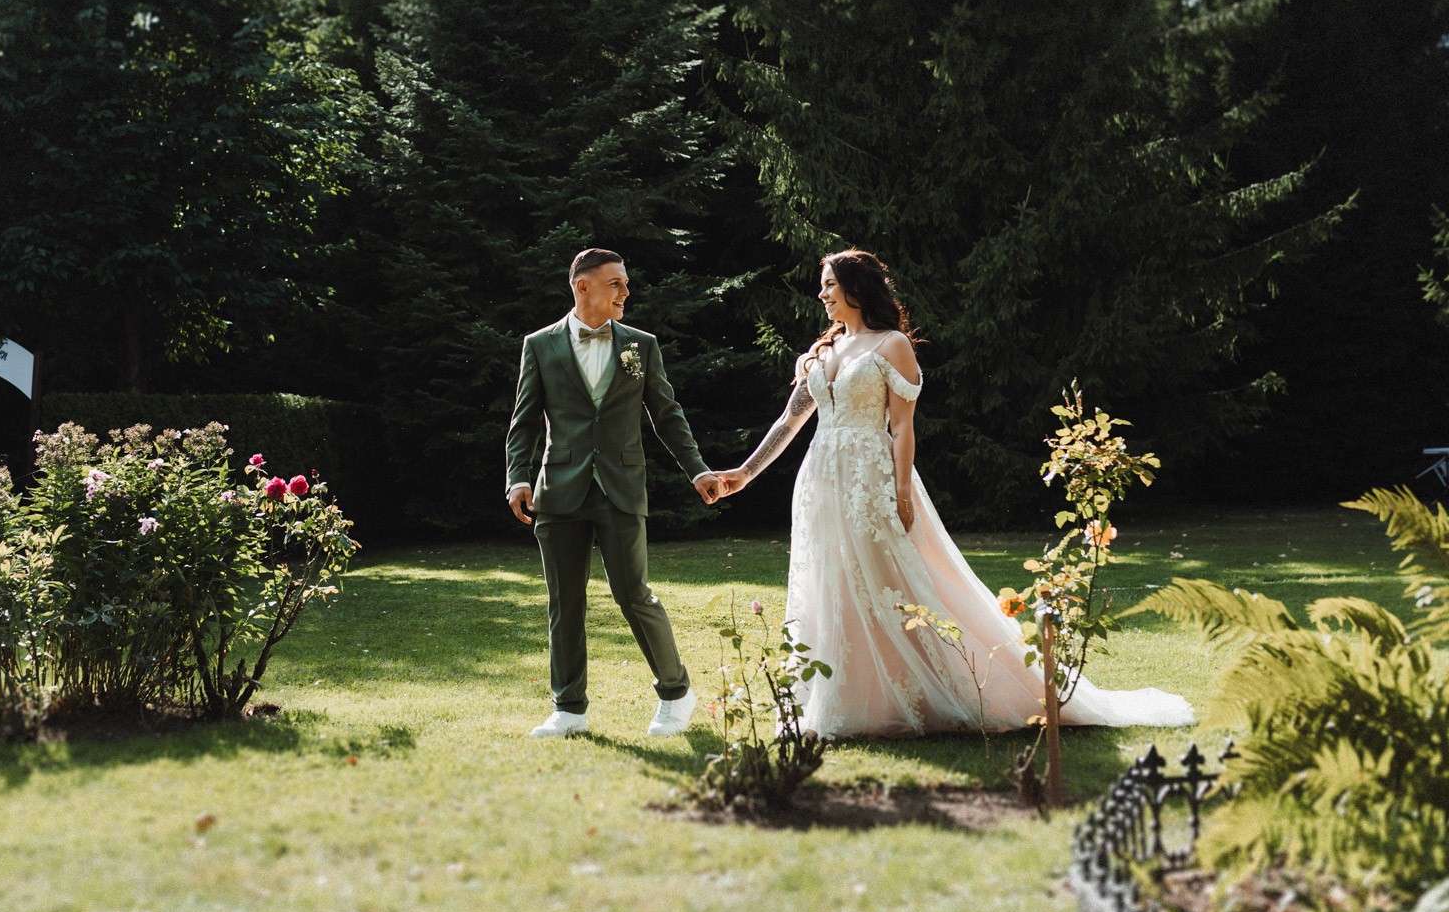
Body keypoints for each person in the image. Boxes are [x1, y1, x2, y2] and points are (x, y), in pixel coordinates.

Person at [712, 248, 1193, 738]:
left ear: (856, 289)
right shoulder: (821, 352)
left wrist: (901, 492)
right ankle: (841, 696)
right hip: (820, 482)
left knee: (891, 582)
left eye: (830, 285)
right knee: (829, 581)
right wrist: (744, 473)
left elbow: (901, 426)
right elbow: (792, 420)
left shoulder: (892, 344)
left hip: (871, 480)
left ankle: (937, 687)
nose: (822, 294)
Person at [505, 248, 724, 738]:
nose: (626, 292)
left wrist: (697, 470)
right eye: (615, 284)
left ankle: (676, 693)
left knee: (634, 595)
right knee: (565, 602)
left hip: (620, 489)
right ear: (582, 286)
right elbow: (523, 421)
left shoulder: (640, 346)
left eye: (625, 283)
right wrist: (518, 477)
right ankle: (569, 709)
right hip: (558, 490)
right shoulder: (539, 345)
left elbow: (667, 414)